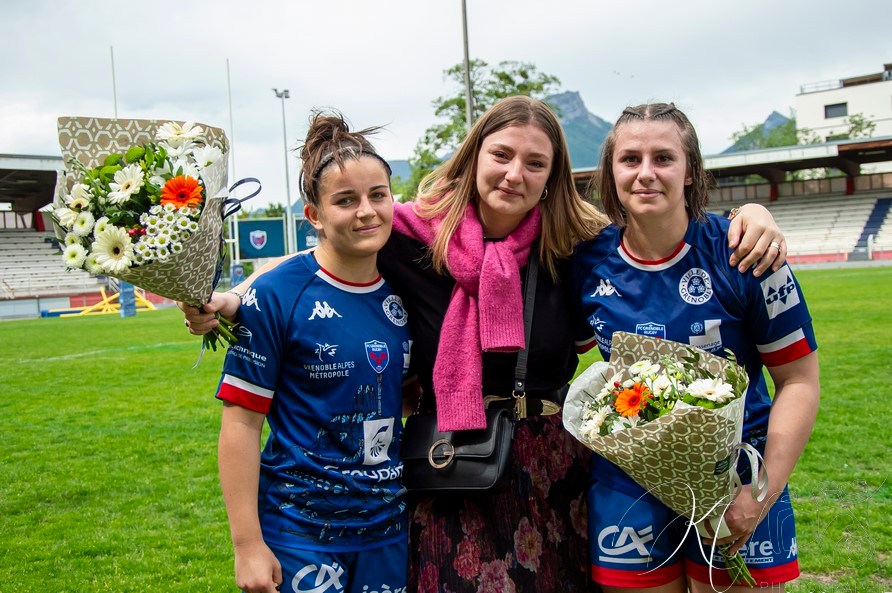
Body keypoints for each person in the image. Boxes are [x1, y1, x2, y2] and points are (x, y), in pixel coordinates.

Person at [183, 96, 788, 593]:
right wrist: (233, 297)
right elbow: (317, 257)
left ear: (553, 177)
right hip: (452, 466)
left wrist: (755, 213)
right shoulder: (411, 235)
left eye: (535, 163)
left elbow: (656, 238)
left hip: (555, 473)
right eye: (501, 155)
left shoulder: (574, 245)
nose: (513, 174)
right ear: (475, 157)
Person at [572, 103, 819, 592]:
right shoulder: (585, 261)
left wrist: (760, 493)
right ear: (610, 172)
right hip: (629, 482)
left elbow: (799, 381)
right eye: (630, 159)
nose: (646, 173)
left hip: (738, 478)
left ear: (690, 172)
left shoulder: (745, 251)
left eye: (663, 157)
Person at [213, 112, 411, 593]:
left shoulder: (410, 286)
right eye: (346, 201)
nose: (366, 211)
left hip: (390, 529)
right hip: (300, 532)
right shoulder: (277, 295)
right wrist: (247, 546)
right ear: (315, 216)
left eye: (377, 195)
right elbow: (240, 424)